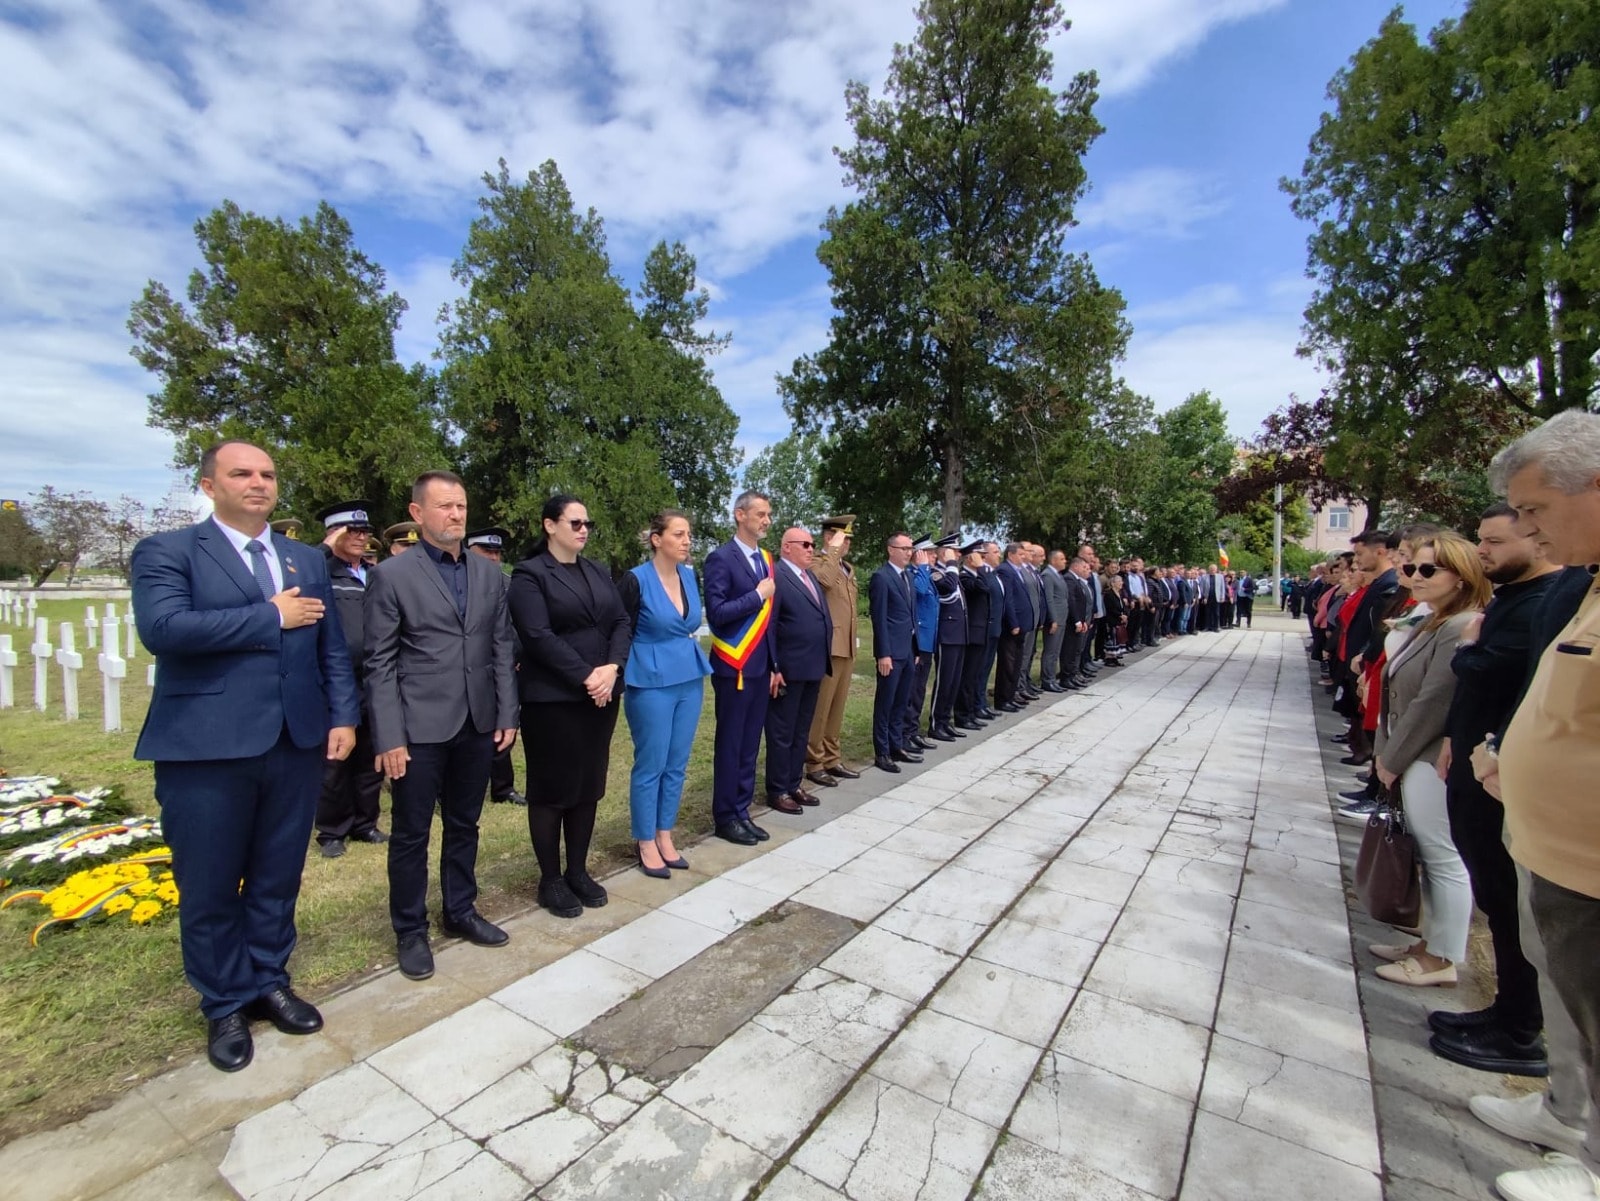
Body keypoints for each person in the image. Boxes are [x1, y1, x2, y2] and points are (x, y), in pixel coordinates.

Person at [132, 440, 359, 1073]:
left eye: (267, 473)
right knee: (209, 881)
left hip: (293, 740)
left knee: (276, 873)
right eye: (242, 473)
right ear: (210, 485)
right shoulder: (169, 551)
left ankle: (268, 979)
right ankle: (225, 1001)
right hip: (206, 745)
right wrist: (268, 616)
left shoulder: (301, 558)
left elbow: (331, 647)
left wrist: (343, 715)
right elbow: (164, 630)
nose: (258, 482)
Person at [1477, 411, 1600, 1201]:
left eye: (1535, 510)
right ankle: (1566, 1113)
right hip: (1558, 855)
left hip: (1590, 862)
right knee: (1574, 1006)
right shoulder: (1586, 585)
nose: (1528, 528)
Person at [364, 470, 519, 983]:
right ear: (417, 513)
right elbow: (380, 662)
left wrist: (507, 713)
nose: (456, 514)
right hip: (418, 727)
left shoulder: (488, 574)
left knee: (465, 823)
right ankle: (410, 930)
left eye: (461, 506)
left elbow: (501, 647)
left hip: (477, 721)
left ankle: (460, 909)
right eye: (444, 506)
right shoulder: (393, 575)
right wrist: (389, 736)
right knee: (412, 833)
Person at [1427, 504, 1561, 1077]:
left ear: (1535, 539)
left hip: (1500, 773)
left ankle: (1519, 1030)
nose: (1482, 550)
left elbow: (1493, 672)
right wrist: (1453, 737)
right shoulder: (1515, 598)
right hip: (1473, 758)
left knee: (1507, 900)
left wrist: (1469, 649)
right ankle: (1506, 1011)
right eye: (1481, 540)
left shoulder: (1545, 600)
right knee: (1496, 897)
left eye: (1495, 541)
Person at [1368, 533, 1489, 989]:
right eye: (1411, 568)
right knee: (1428, 855)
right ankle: (1428, 943)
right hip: (1410, 751)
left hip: (1427, 755)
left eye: (1427, 570)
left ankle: (1442, 958)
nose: (1414, 577)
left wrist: (1392, 757)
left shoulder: (1461, 625)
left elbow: (1433, 701)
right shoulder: (1434, 622)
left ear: (1461, 577)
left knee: (1442, 857)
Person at [508, 496, 630, 917]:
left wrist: (612, 668)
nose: (583, 530)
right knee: (552, 791)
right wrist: (586, 676)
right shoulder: (529, 575)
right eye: (575, 523)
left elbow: (620, 621)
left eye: (587, 523)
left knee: (587, 786)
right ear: (549, 525)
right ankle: (551, 879)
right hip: (553, 699)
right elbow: (537, 635)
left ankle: (577, 870)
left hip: (601, 696)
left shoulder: (596, 570)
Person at [619, 510, 711, 877]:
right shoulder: (635, 580)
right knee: (652, 763)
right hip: (650, 679)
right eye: (678, 534)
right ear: (657, 539)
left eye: (688, 534)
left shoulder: (689, 576)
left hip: (689, 675)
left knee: (677, 762)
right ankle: (644, 839)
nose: (687, 541)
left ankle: (664, 833)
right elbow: (620, 630)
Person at [704, 490, 779, 845]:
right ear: (740, 514)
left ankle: (741, 810)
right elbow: (717, 613)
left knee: (750, 746)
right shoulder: (720, 558)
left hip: (760, 667)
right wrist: (757, 596)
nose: (766, 521)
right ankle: (725, 817)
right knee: (731, 745)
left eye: (769, 515)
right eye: (760, 514)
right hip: (733, 667)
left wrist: (775, 665)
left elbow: (770, 621)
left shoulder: (766, 559)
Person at [313, 500, 387, 859]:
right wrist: (325, 549)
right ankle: (332, 829)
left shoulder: (374, 574)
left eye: (364, 531)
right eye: (351, 531)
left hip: (375, 676)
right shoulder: (321, 571)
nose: (361, 537)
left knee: (370, 755)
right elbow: (297, 579)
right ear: (333, 533)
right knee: (336, 758)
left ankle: (365, 823)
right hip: (335, 679)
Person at [764, 526, 833, 814]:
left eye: (812, 544)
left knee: (801, 730)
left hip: (812, 666)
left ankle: (794, 783)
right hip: (788, 670)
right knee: (782, 732)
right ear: (786, 547)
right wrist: (774, 665)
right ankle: (778, 789)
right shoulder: (778, 576)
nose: (811, 549)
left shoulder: (809, 576)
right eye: (804, 544)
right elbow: (770, 625)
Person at [466, 527, 526, 808]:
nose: (493, 557)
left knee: (505, 722)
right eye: (486, 551)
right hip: (470, 668)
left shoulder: (508, 583)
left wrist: (519, 656)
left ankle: (502, 787)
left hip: (505, 667)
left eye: (497, 552)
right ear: (470, 550)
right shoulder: (459, 581)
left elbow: (520, 625)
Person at [805, 516, 863, 789]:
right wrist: (833, 551)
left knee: (837, 708)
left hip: (846, 645)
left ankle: (831, 757)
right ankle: (814, 762)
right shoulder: (817, 562)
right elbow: (825, 582)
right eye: (843, 538)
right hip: (828, 646)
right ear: (829, 538)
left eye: (849, 539)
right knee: (821, 709)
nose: (847, 543)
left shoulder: (846, 567)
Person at [869, 532, 919, 772]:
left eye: (910, 548)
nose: (909, 552)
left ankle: (896, 745)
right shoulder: (882, 577)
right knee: (885, 703)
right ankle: (882, 752)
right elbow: (879, 619)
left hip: (907, 650)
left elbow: (911, 614)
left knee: (901, 701)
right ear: (891, 550)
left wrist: (915, 648)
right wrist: (883, 654)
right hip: (891, 652)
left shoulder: (908, 576)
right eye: (904, 548)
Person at [900, 536, 940, 751]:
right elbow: (920, 592)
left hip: (927, 642)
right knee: (911, 690)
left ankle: (913, 731)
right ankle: (905, 733)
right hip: (918, 642)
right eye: (930, 553)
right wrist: (923, 567)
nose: (934, 557)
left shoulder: (925, 574)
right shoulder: (913, 574)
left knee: (919, 690)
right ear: (919, 554)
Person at [927, 536, 968, 739]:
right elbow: (949, 589)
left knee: (953, 681)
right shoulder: (936, 573)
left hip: (958, 634)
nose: (958, 555)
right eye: (955, 551)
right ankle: (936, 723)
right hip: (946, 635)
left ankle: (945, 720)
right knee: (944, 681)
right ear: (945, 552)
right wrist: (951, 562)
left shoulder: (951, 573)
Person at [956, 540, 993, 728]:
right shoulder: (964, 577)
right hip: (971, 634)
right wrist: (981, 569)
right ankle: (963, 715)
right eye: (981, 556)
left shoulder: (977, 576)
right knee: (967, 677)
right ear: (970, 558)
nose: (983, 560)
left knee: (974, 675)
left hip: (980, 632)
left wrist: (981, 570)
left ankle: (971, 712)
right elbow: (984, 587)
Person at [994, 543, 1033, 710]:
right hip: (1011, 627)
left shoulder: (1017, 571)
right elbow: (1008, 599)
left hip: (1022, 625)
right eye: (1021, 554)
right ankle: (1003, 699)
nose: (1024, 557)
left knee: (1016, 663)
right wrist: (1013, 622)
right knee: (1008, 664)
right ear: (1010, 555)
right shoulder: (1005, 570)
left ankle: (1011, 696)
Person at [1039, 550, 1069, 691]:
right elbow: (1049, 598)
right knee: (1050, 651)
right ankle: (1047, 680)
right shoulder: (1048, 575)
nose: (1065, 561)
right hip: (1055, 619)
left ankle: (1051, 678)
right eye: (1062, 559)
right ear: (1053, 560)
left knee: (1056, 650)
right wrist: (1053, 619)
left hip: (1062, 617)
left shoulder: (1058, 575)